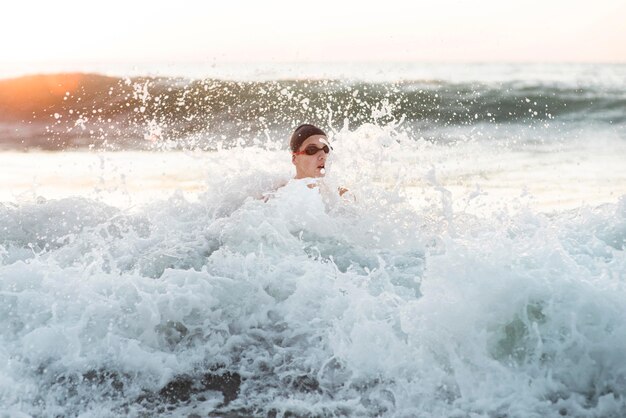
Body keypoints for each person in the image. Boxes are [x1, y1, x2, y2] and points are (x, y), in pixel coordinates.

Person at [290, 124, 348, 196]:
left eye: (326, 149)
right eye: (312, 150)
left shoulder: (342, 196)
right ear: (294, 158)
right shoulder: (279, 194)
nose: (323, 156)